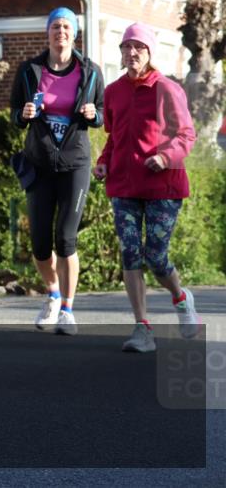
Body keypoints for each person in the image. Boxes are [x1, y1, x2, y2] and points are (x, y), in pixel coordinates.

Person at [92, 23, 200, 352]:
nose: (132, 52)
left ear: (150, 52)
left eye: (138, 47)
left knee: (155, 256)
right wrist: (103, 160)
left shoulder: (166, 89)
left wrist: (166, 158)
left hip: (163, 186)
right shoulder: (113, 91)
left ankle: (181, 299)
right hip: (124, 184)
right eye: (126, 47)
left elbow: (186, 135)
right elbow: (115, 136)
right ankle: (142, 328)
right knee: (129, 252)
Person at [9, 7, 105, 335]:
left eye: (66, 27)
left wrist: (95, 114)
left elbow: (103, 111)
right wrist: (23, 114)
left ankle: (67, 309)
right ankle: (52, 293)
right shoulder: (29, 70)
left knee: (65, 239)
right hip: (39, 164)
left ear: (74, 33)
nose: (60, 32)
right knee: (38, 244)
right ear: (47, 33)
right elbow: (14, 114)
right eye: (55, 27)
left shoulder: (90, 71)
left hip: (74, 164)